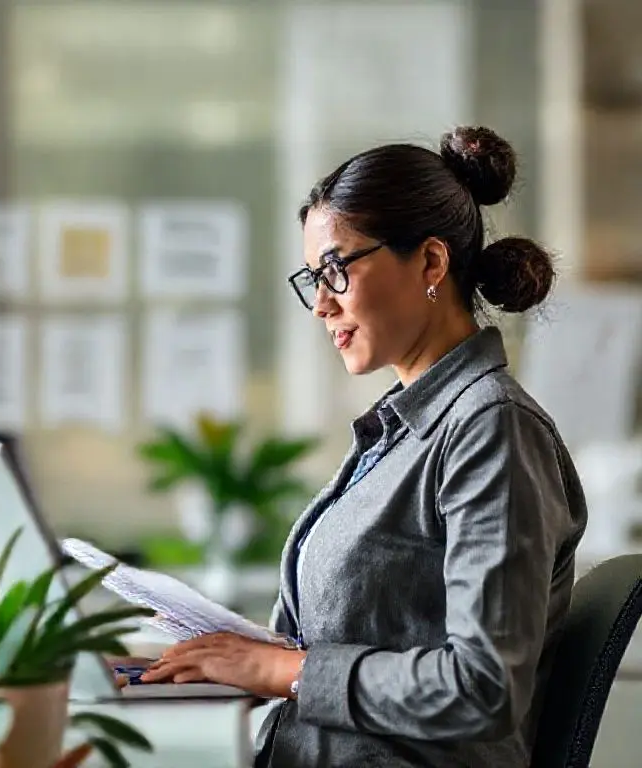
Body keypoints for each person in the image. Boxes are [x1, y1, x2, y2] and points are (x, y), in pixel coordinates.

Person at [140, 126, 589, 767]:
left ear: (431, 263)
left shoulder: (492, 430)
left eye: (336, 269)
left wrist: (283, 671)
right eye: (312, 277)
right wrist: (236, 662)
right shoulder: (406, 431)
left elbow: (481, 688)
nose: (320, 304)